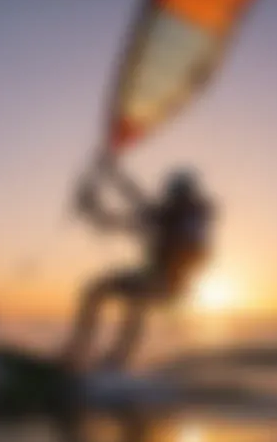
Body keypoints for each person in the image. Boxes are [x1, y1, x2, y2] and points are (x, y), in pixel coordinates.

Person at [62, 155, 217, 373]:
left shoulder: (189, 217)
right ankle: (77, 354)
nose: (169, 197)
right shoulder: (165, 216)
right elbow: (126, 217)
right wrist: (93, 207)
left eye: (174, 193)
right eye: (170, 194)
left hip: (170, 285)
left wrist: (112, 173)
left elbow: (138, 202)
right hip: (153, 279)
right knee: (97, 290)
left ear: (183, 194)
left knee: (133, 301)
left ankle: (112, 364)